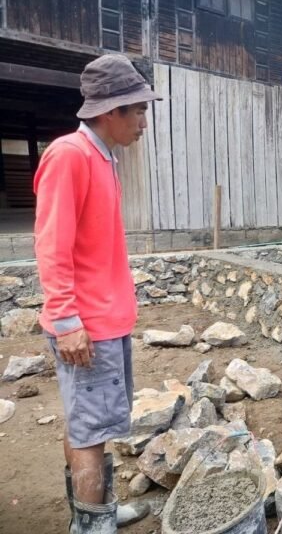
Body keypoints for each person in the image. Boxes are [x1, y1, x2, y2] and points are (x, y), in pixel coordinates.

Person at [34, 54, 161, 532]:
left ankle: (96, 513)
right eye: (139, 110)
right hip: (86, 327)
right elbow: (51, 243)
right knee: (91, 433)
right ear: (111, 112)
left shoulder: (100, 157)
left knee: (89, 425)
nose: (144, 122)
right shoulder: (70, 155)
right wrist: (66, 321)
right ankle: (94, 526)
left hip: (103, 322)